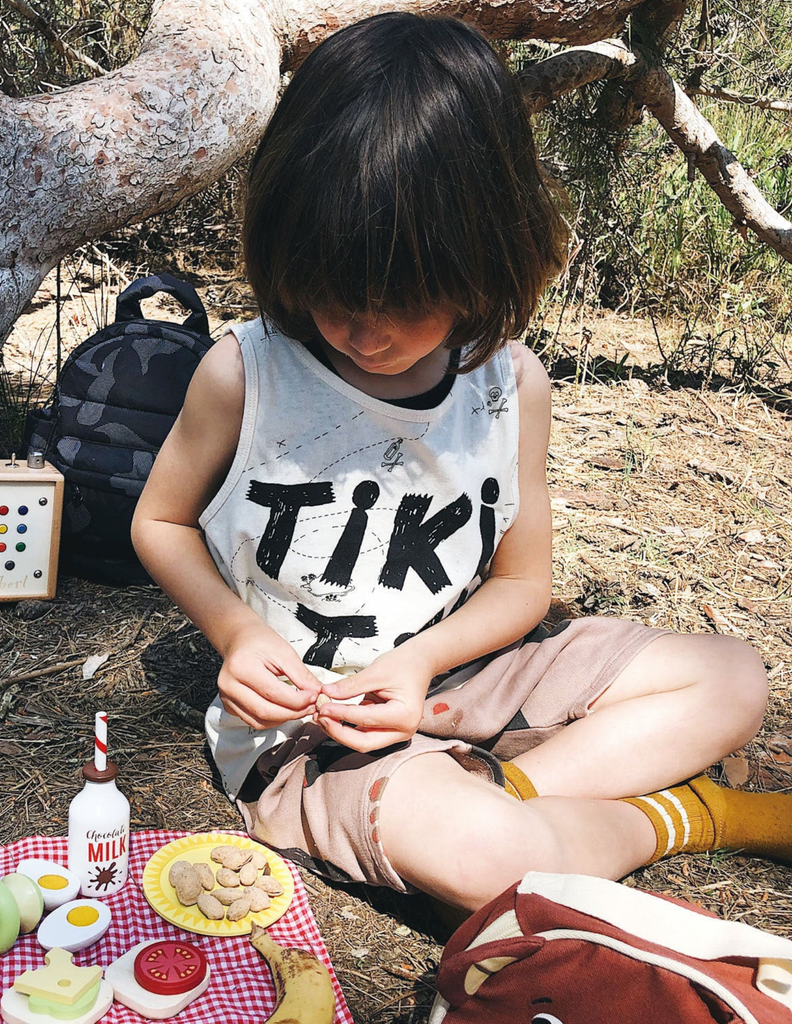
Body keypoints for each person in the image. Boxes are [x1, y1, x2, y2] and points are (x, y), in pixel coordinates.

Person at [131, 12, 789, 910]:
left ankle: (510, 792)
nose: (365, 333)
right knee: (488, 860)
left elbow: (521, 586)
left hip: (463, 677)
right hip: (316, 724)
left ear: (487, 252)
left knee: (732, 677)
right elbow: (160, 520)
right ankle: (682, 815)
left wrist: (422, 663)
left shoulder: (509, 386)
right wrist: (238, 633)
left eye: (405, 299)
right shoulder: (246, 374)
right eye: (333, 294)